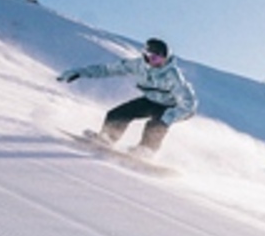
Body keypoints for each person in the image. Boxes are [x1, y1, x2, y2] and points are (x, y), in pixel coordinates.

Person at [57, 37, 198, 156]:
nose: (159, 64)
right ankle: (107, 138)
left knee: (156, 125)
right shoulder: (137, 65)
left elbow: (188, 104)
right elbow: (108, 70)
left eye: (162, 60)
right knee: (117, 114)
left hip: (173, 106)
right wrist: (80, 72)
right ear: (146, 56)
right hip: (151, 101)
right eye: (154, 59)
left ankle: (146, 150)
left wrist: (169, 117)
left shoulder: (172, 75)